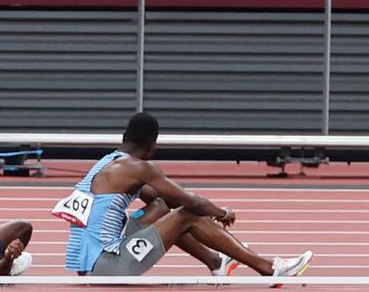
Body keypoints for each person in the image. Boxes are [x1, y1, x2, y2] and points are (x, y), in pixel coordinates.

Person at [56, 112, 313, 284]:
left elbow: (162, 200)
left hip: (89, 265)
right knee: (188, 214)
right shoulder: (138, 167)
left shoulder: (107, 163)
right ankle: (269, 269)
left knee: (160, 208)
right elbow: (192, 204)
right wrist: (221, 213)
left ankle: (216, 261)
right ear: (152, 146)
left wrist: (183, 208)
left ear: (124, 138)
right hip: (107, 268)